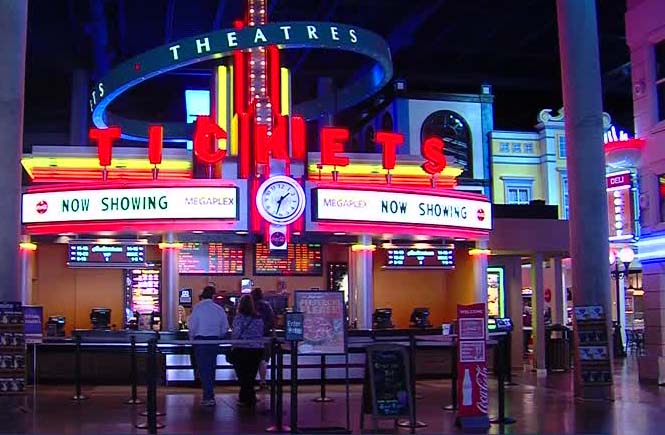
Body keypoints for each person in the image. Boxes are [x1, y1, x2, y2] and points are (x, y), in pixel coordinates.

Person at [188, 285, 229, 407]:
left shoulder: (197, 308)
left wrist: (192, 339)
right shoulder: (219, 309)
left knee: (203, 369)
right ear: (213, 296)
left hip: (200, 341)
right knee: (211, 367)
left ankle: (207, 395)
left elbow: (192, 327)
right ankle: (209, 394)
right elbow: (225, 327)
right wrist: (219, 336)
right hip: (214, 341)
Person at [231, 295, 264, 407]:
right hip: (256, 349)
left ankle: (244, 397)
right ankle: (250, 397)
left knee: (243, 375)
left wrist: (233, 344)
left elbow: (236, 333)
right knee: (251, 375)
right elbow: (261, 333)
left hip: (241, 349)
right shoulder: (258, 318)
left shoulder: (239, 318)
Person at [251, 287, 275, 389]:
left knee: (252, 359)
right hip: (265, 336)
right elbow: (272, 321)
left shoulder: (250, 306)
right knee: (264, 360)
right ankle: (263, 381)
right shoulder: (267, 306)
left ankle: (251, 383)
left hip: (252, 337)